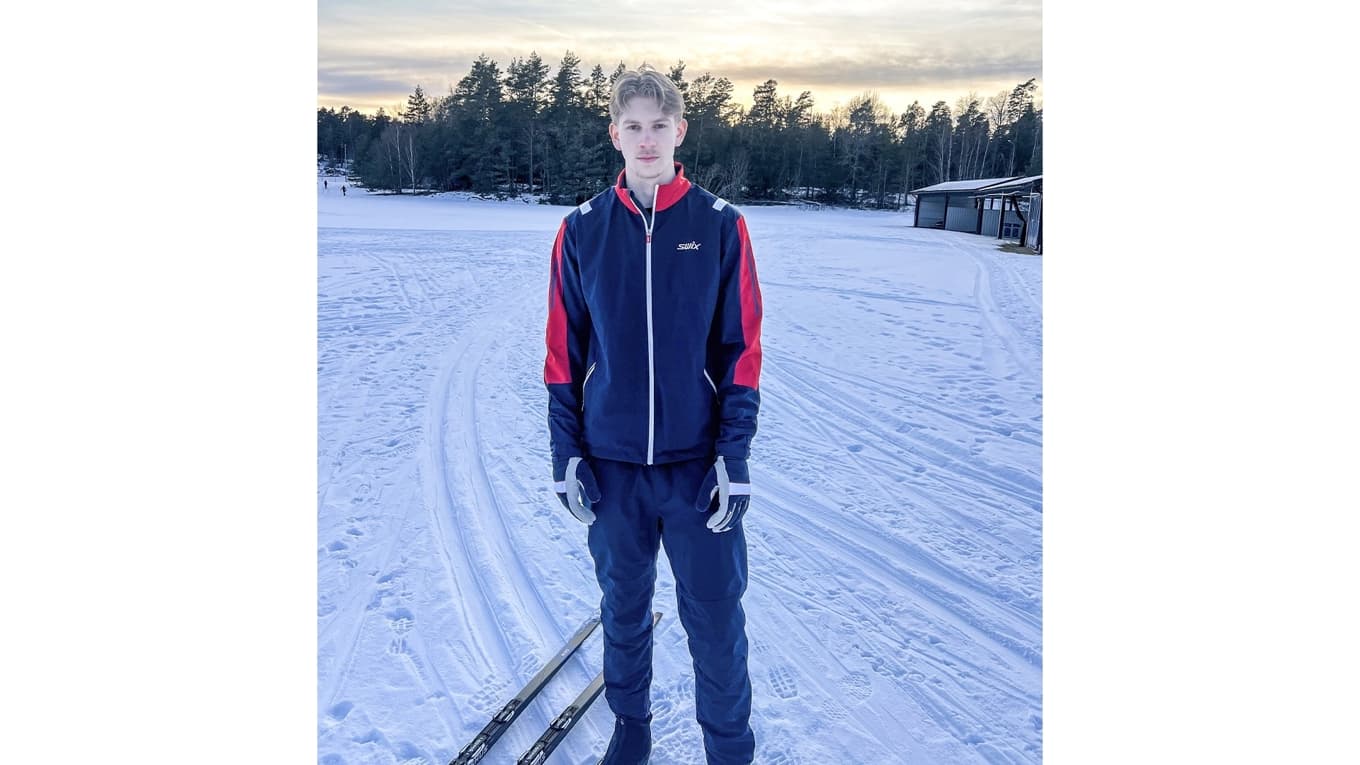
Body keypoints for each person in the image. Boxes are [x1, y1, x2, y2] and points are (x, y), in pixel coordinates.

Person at [544, 64, 763, 765]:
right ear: (614, 133)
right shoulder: (580, 231)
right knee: (624, 608)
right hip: (612, 468)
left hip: (697, 467)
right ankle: (631, 730)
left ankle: (729, 749)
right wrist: (565, 452)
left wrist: (735, 456)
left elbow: (741, 350)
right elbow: (562, 352)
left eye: (658, 125)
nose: (646, 139)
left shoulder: (721, 225)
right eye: (632, 126)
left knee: (716, 617)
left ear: (680, 130)